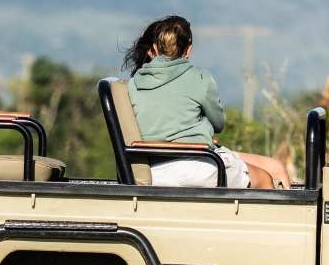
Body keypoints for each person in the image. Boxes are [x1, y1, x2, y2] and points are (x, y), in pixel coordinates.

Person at [123, 15, 293, 190]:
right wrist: (202, 126)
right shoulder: (200, 77)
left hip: (154, 168)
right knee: (265, 178)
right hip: (200, 163)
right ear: (188, 50)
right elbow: (218, 123)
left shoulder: (133, 84)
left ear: (154, 48)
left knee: (273, 167)